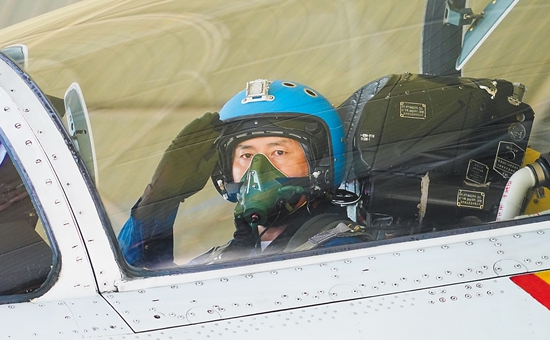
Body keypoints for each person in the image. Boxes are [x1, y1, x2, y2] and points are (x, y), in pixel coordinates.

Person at [118, 79, 368, 269]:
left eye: (279, 152)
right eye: (246, 155)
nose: (257, 169)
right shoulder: (223, 258)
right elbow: (139, 283)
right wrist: (160, 200)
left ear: (321, 165)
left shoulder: (343, 255)